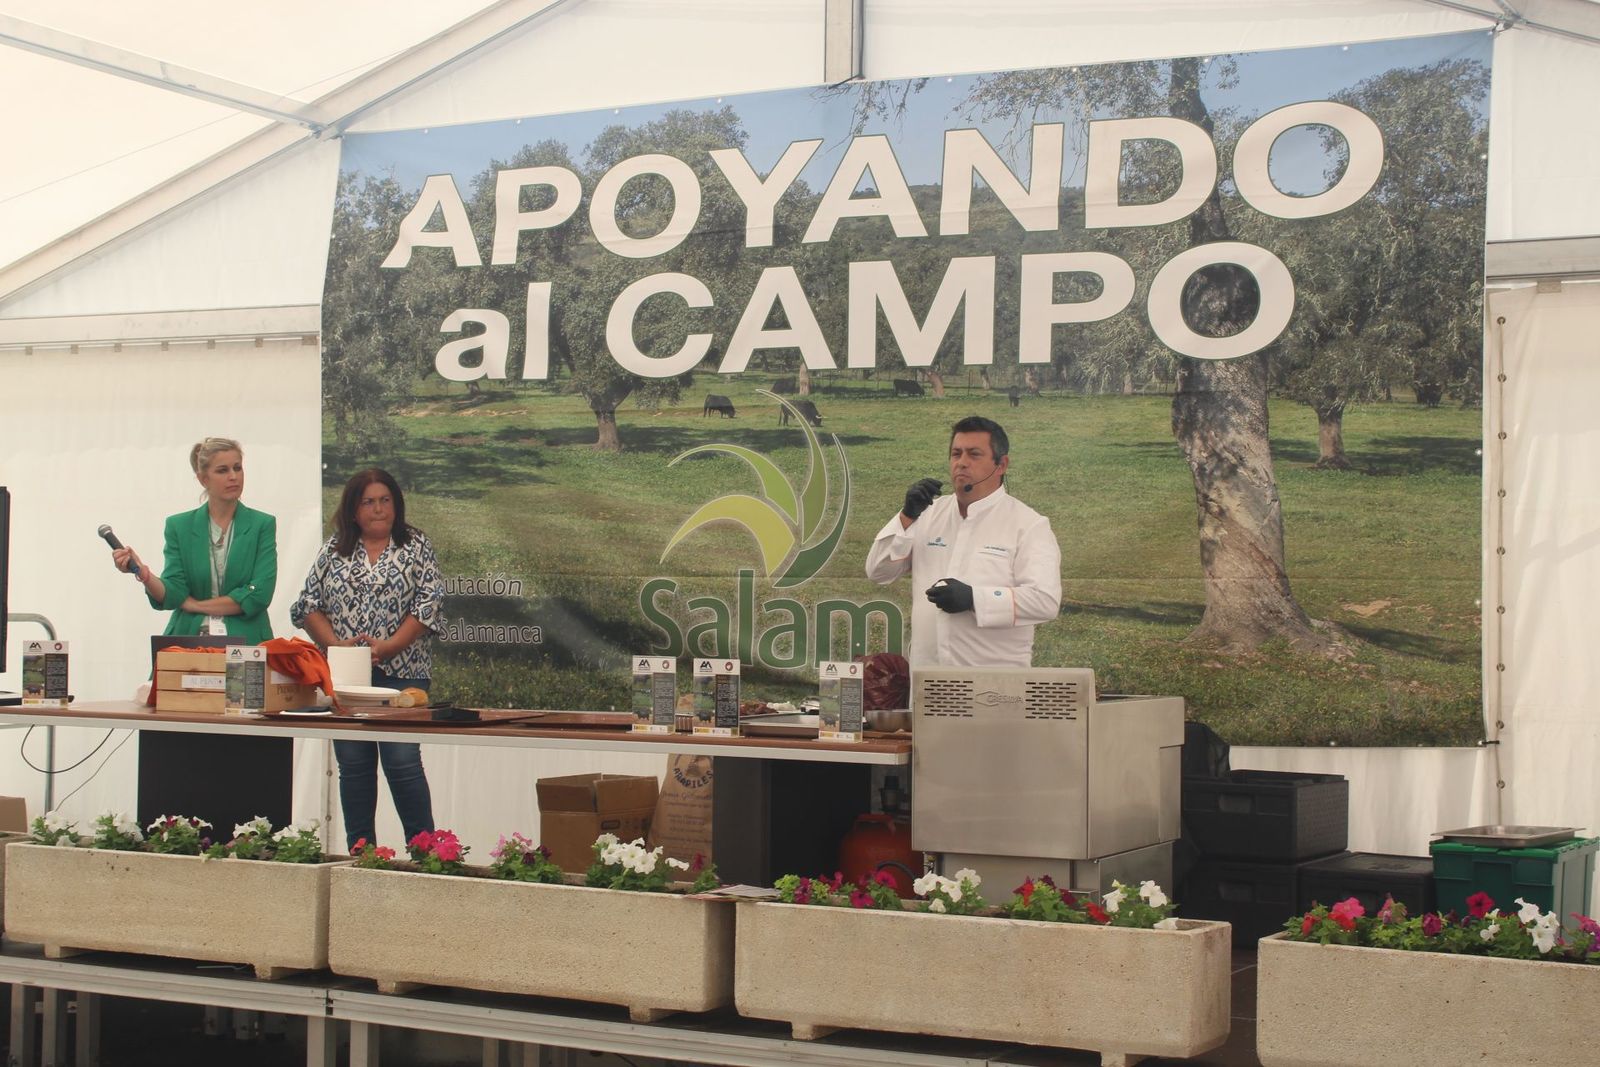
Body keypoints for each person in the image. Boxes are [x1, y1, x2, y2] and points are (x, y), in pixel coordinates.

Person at [291, 468, 443, 850]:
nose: (378, 509)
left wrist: (390, 645)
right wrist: (335, 645)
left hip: (403, 674)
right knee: (355, 766)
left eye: (385, 500)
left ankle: (425, 853)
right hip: (348, 679)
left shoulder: (416, 545)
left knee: (402, 762)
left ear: (396, 503)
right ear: (353, 510)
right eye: (368, 502)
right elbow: (307, 606)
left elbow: (429, 605)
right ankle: (362, 853)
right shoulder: (334, 549)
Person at [865, 415, 1061, 668]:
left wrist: (974, 599)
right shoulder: (927, 512)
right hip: (928, 680)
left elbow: (1044, 601)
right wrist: (906, 517)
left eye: (974, 454)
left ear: (1001, 465)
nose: (962, 463)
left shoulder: (1028, 524)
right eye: (956, 454)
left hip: (993, 685)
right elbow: (878, 572)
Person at [110, 437, 277, 643]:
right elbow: (174, 592)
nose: (234, 476)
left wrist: (194, 605)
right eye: (222, 470)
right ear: (203, 479)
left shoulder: (263, 524)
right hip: (190, 638)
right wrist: (144, 574)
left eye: (238, 468)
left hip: (247, 641)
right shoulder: (179, 526)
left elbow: (259, 594)